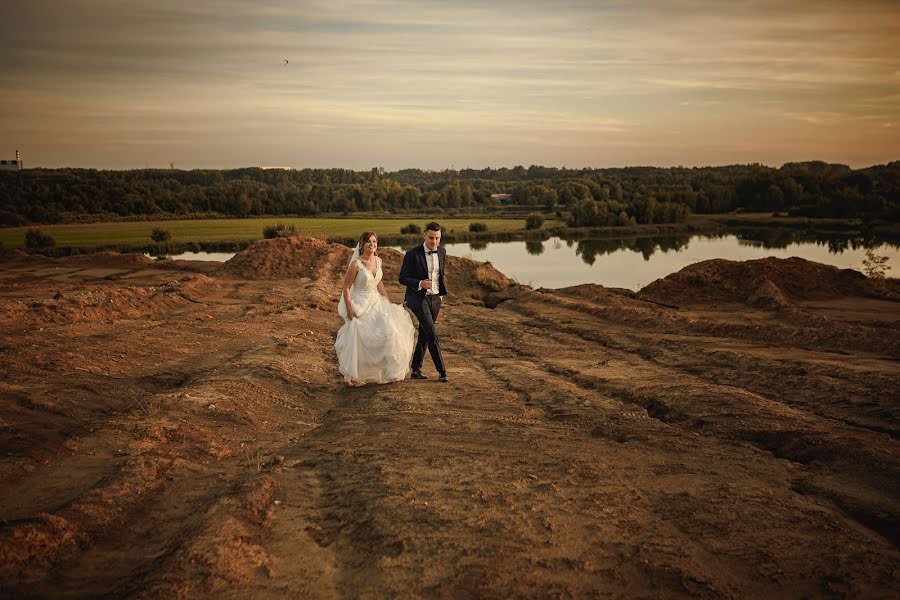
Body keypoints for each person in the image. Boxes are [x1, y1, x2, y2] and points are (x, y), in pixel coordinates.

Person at [335, 232, 415, 387]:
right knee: (359, 340)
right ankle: (353, 376)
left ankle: (389, 371)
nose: (372, 244)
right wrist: (350, 310)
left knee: (390, 331)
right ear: (362, 245)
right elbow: (346, 288)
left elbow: (378, 283)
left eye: (374, 241)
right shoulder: (356, 264)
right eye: (369, 242)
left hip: (376, 301)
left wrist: (388, 301)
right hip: (360, 303)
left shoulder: (378, 261)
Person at [399, 222, 449, 382]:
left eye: (437, 238)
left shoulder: (442, 251)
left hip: (435, 299)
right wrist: (420, 283)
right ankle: (442, 372)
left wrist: (440, 295)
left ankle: (415, 369)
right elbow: (402, 277)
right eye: (431, 238)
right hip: (418, 298)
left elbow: (440, 274)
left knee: (424, 334)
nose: (434, 242)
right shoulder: (412, 254)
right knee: (432, 333)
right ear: (424, 236)